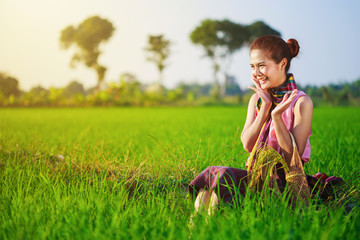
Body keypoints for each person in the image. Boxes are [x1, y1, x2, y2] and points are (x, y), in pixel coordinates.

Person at [188, 35, 341, 215]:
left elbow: (294, 157)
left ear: (282, 64)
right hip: (256, 177)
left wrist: (276, 117)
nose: (256, 72)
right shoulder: (257, 100)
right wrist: (265, 107)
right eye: (252, 66)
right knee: (212, 185)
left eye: (262, 65)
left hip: (283, 183)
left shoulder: (301, 102)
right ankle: (197, 229)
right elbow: (247, 144)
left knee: (221, 177)